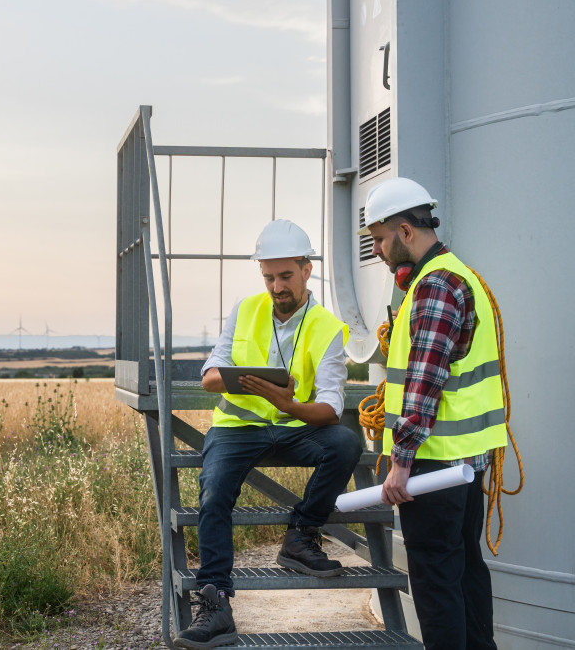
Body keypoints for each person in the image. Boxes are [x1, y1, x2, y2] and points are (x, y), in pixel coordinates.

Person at [174, 219, 360, 650]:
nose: (277, 287)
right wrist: (248, 383)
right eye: (268, 277)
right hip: (238, 427)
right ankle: (216, 604)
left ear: (307, 269)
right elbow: (209, 375)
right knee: (214, 491)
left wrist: (288, 404)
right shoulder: (245, 308)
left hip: (295, 426)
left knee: (347, 442)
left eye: (286, 276)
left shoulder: (328, 328)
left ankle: (300, 535)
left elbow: (332, 408)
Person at [362, 176, 506, 650]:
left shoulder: (434, 287)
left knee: (435, 581)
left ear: (405, 232)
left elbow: (424, 382)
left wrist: (401, 462)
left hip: (432, 466)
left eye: (380, 239)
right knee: (464, 571)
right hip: (463, 463)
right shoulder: (459, 274)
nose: (379, 251)